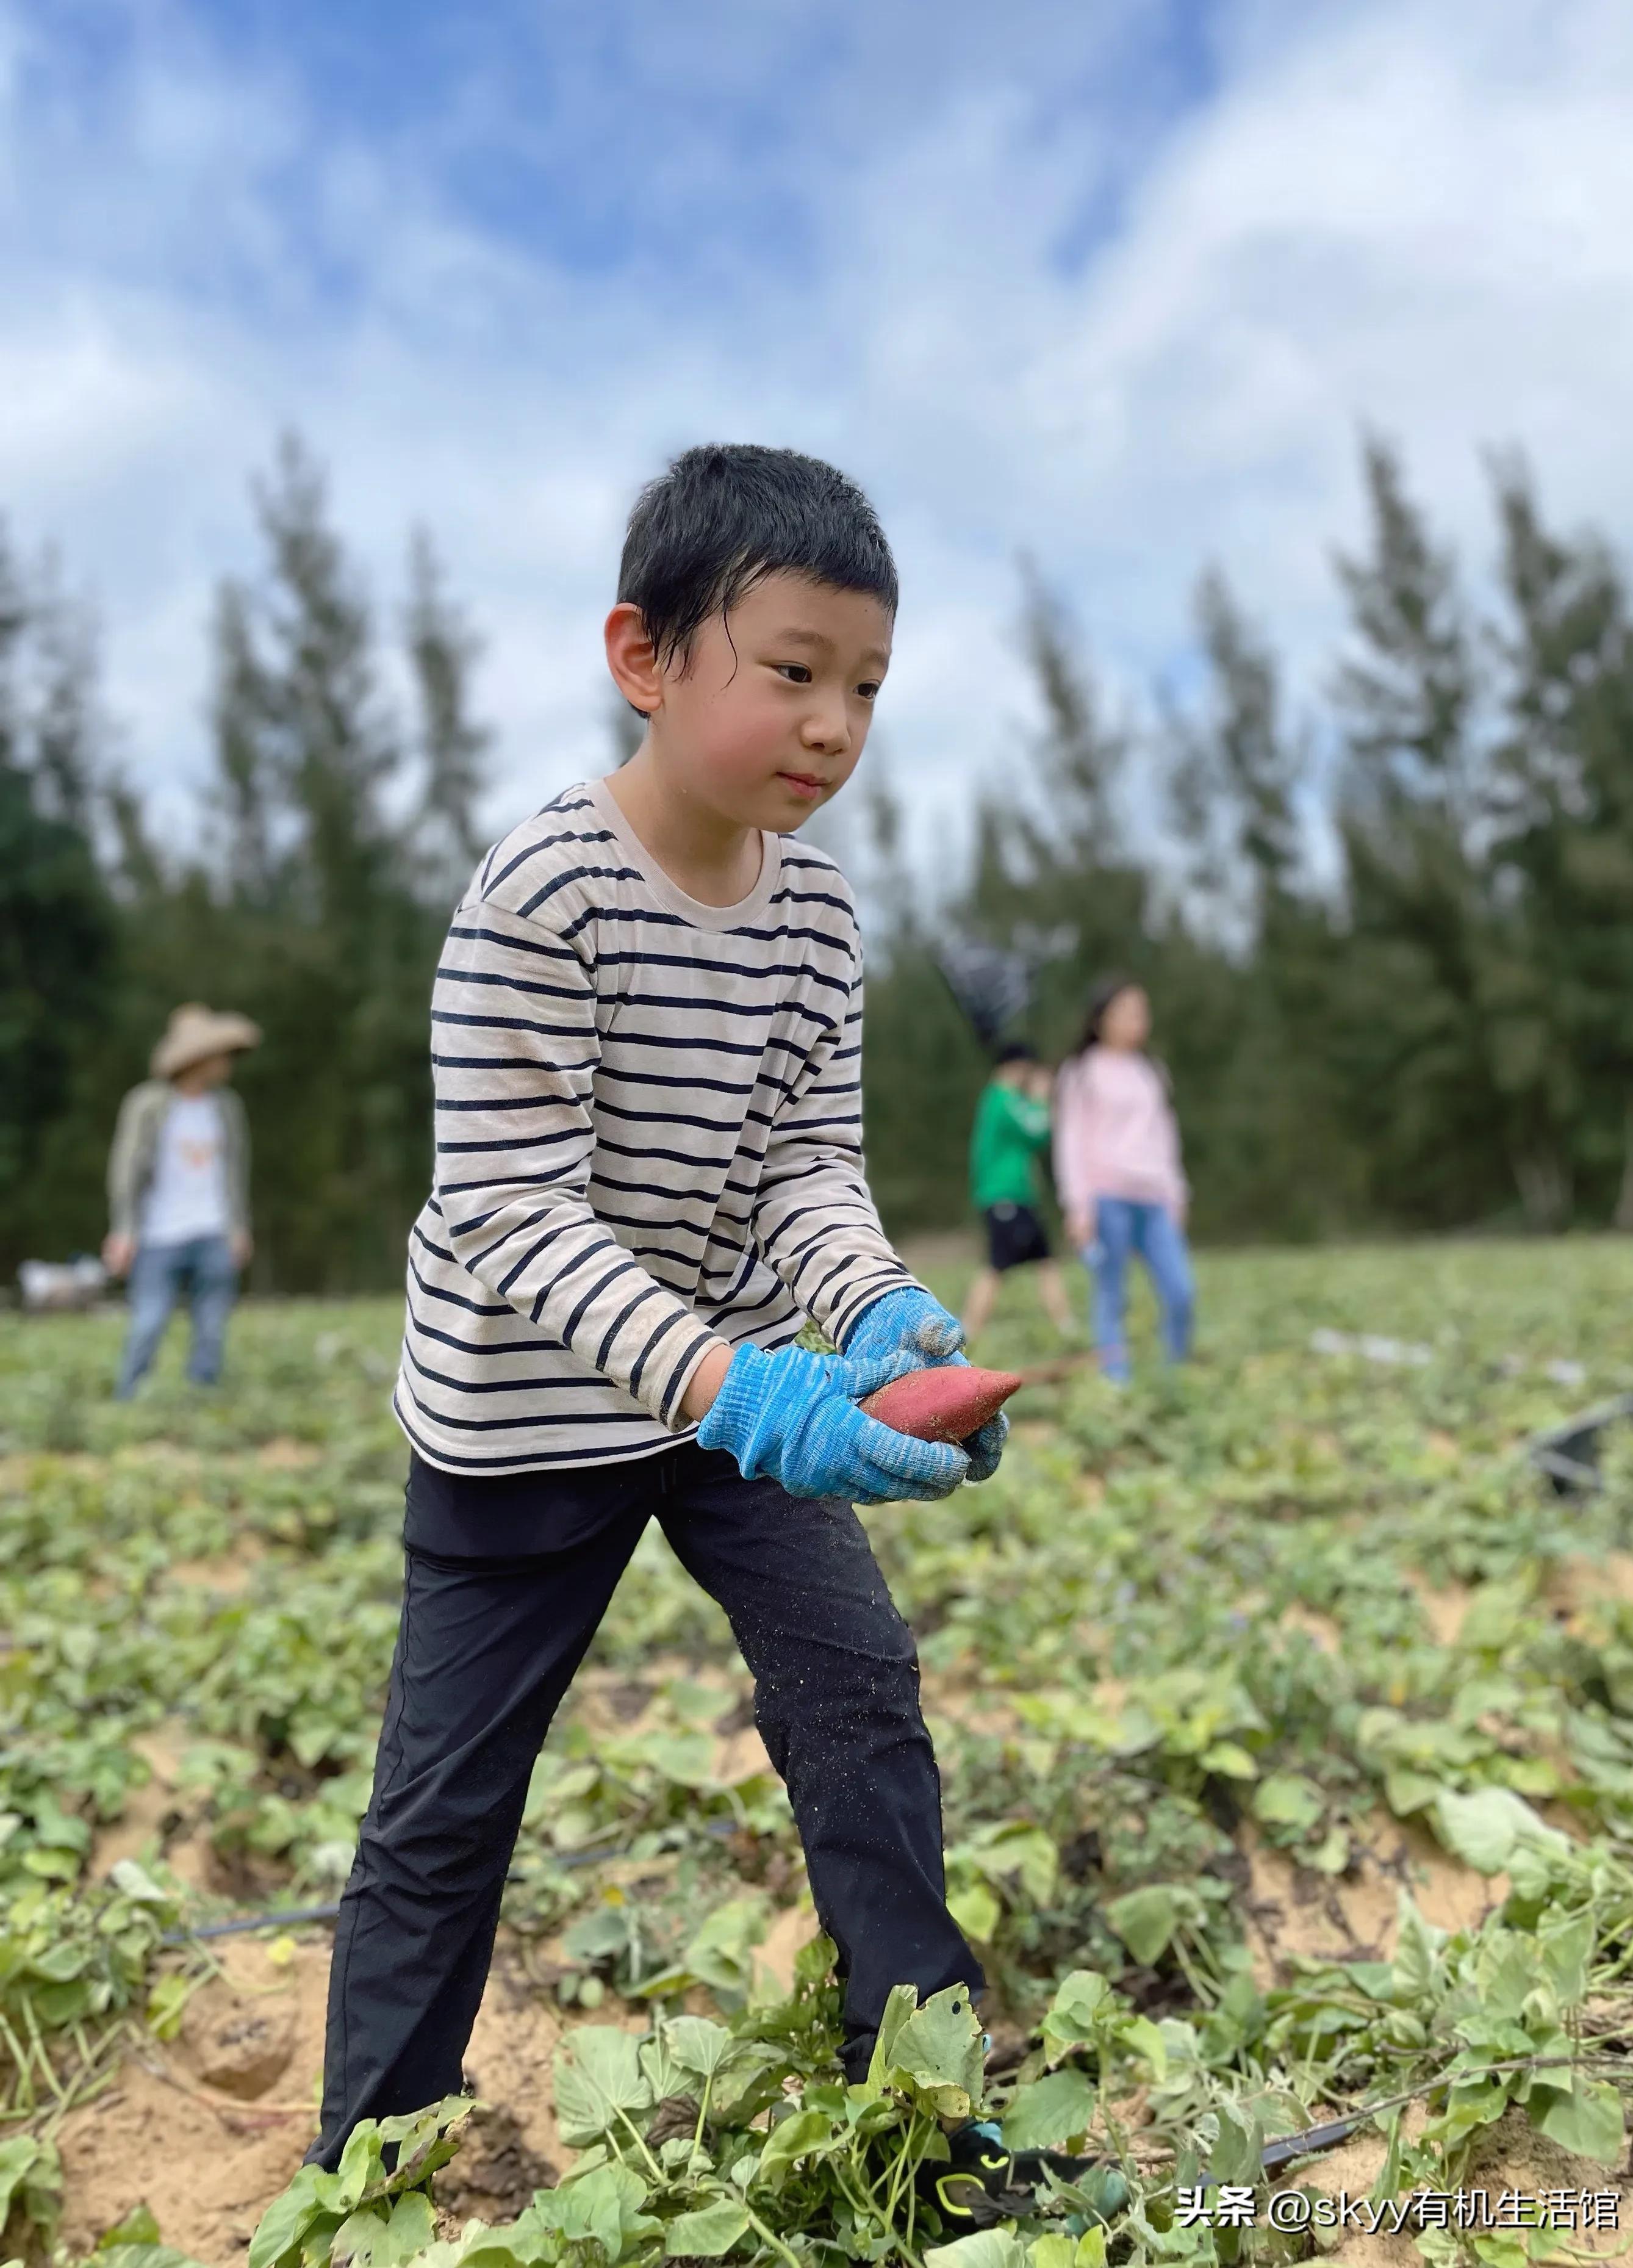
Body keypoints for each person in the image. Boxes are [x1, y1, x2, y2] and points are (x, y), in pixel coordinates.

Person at [309, 444, 1008, 2170]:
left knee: (859, 1701)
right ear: (645, 655)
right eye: (789, 670)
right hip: (527, 1414)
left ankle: (923, 2113)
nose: (831, 723)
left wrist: (872, 1309)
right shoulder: (540, 895)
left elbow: (801, 1170)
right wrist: (737, 1387)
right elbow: (508, 1214)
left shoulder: (819, 915)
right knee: (446, 1802)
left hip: (726, 1397)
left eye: (863, 685)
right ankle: (368, 2164)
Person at [102, 1003, 260, 1400]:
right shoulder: (147, 1104)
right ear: (198, 1058)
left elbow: (236, 1171)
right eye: (220, 1054)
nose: (227, 1062)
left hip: (213, 1231)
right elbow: (126, 1171)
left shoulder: (226, 1106)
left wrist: (239, 1227)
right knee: (149, 1321)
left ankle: (201, 1400)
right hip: (159, 1233)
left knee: (211, 1326)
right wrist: (123, 1230)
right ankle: (128, 1397)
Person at [1053, 976, 1193, 1383]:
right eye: (1126, 1012)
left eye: (1141, 1012)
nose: (1137, 1021)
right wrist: (1077, 1205)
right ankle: (1118, 1384)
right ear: (1100, 1019)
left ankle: (1175, 1376)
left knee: (1181, 1291)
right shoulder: (1081, 1071)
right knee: (1111, 1295)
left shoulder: (1151, 1071)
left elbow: (1165, 1136)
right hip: (1106, 1197)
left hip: (1154, 1199)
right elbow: (1070, 1141)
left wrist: (1177, 1193)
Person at [961, 1041, 1074, 1344]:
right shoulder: (1003, 1098)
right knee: (996, 1266)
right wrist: (1040, 1098)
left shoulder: (1005, 1100)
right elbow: (1038, 1130)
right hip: (1004, 1196)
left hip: (1020, 1196)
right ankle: (966, 1332)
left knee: (1046, 1260)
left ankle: (1066, 1326)